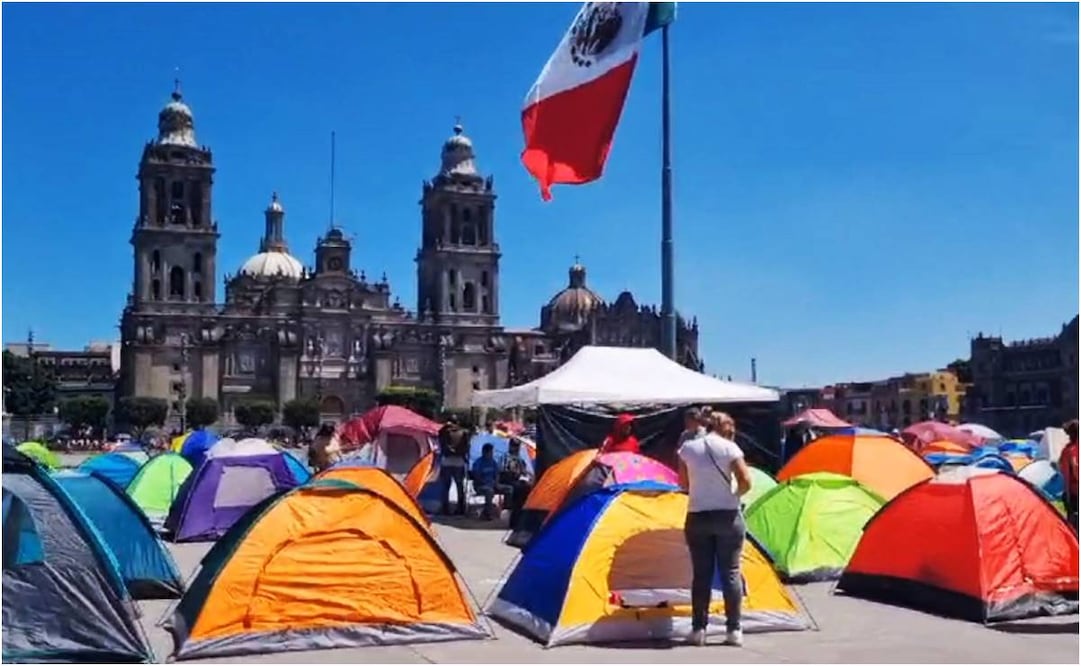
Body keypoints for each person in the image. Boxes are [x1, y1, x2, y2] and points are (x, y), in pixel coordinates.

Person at [677, 408, 753, 648]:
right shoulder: (730, 448)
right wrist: (733, 495)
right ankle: (734, 630)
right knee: (730, 572)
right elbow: (746, 481)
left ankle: (699, 629)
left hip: (698, 515)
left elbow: (683, 483)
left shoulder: (687, 448)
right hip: (728, 515)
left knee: (702, 575)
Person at [439, 415, 470, 516]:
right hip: (459, 461)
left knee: (445, 486)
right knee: (459, 486)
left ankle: (445, 509)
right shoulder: (464, 432)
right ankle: (460, 508)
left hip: (447, 461)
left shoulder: (445, 431)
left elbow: (439, 435)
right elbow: (467, 446)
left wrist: (445, 426)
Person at [499, 438, 534, 529]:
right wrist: (514, 473)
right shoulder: (505, 457)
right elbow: (502, 472)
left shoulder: (520, 459)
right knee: (519, 490)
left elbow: (524, 471)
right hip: (507, 480)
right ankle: (514, 519)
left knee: (527, 488)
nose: (516, 449)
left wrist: (528, 476)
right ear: (510, 446)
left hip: (518, 481)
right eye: (514, 446)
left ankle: (523, 517)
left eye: (517, 447)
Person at [470, 443, 502, 520]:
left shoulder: (493, 462)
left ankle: (505, 511)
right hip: (480, 486)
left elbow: (497, 474)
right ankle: (488, 514)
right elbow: (476, 477)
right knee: (489, 491)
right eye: (490, 452)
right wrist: (486, 483)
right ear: (484, 452)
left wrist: (496, 483)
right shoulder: (478, 463)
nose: (492, 454)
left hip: (493, 484)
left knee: (509, 489)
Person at [1059, 419, 1079, 530]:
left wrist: (1067, 496)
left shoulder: (1068, 451)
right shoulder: (1071, 450)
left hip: (1074, 493)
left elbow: (1066, 475)